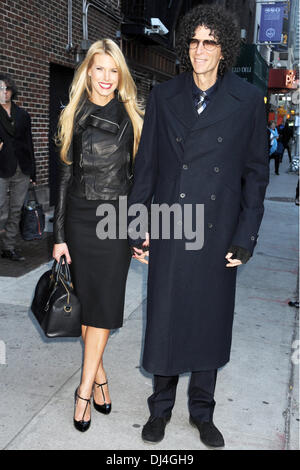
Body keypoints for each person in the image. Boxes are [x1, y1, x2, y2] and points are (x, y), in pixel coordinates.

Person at [128, 4, 269, 448]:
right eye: (194, 41)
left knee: (208, 321)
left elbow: (255, 174)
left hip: (217, 230)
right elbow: (145, 167)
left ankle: (203, 412)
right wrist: (137, 225)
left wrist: (245, 237)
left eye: (210, 42)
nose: (200, 50)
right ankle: (160, 410)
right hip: (172, 224)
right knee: (167, 318)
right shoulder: (166, 96)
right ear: (186, 45)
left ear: (223, 48)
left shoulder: (246, 100)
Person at [53, 39, 143, 432]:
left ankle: (84, 391)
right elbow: (63, 179)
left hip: (115, 221)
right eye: (99, 69)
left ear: (120, 74)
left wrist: (140, 230)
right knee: (89, 309)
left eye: (113, 70)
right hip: (78, 220)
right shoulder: (72, 113)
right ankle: (101, 379)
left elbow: (142, 180)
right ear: (88, 71)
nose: (107, 78)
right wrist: (57, 235)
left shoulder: (133, 116)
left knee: (102, 308)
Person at [0, 74, 36, 261]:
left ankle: (8, 247)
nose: (3, 92)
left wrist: (33, 172)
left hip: (22, 168)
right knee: (0, 208)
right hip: (1, 167)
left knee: (15, 210)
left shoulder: (22, 114)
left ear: (12, 91)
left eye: (6, 88)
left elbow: (29, 143)